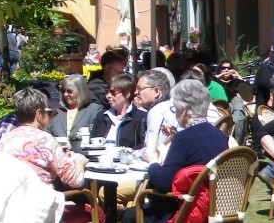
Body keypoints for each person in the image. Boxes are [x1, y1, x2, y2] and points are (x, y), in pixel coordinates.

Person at [121, 79, 227, 223]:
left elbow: (163, 183)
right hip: (214, 207)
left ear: (183, 111)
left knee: (129, 215)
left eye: (175, 109)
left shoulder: (184, 138)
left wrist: (153, 162)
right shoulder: (220, 136)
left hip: (184, 209)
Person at [0, 88, 96, 223]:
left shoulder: (5, 140)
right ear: (38, 114)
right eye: (47, 112)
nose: (49, 116)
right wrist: (79, 161)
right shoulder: (44, 139)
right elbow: (75, 180)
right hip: (40, 210)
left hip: (12, 209)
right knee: (98, 212)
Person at [91, 73, 146, 149]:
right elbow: (92, 140)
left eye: (113, 92)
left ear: (127, 94)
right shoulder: (102, 115)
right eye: (107, 92)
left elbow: (142, 146)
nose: (108, 96)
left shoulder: (140, 117)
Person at [47, 73, 102, 149]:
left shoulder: (94, 110)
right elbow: (46, 134)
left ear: (80, 91)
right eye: (63, 91)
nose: (65, 94)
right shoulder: (56, 112)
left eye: (69, 91)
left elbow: (97, 137)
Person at [136, 69, 174, 163]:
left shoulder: (157, 112)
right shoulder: (173, 106)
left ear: (156, 91)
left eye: (140, 88)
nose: (136, 92)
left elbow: (152, 152)